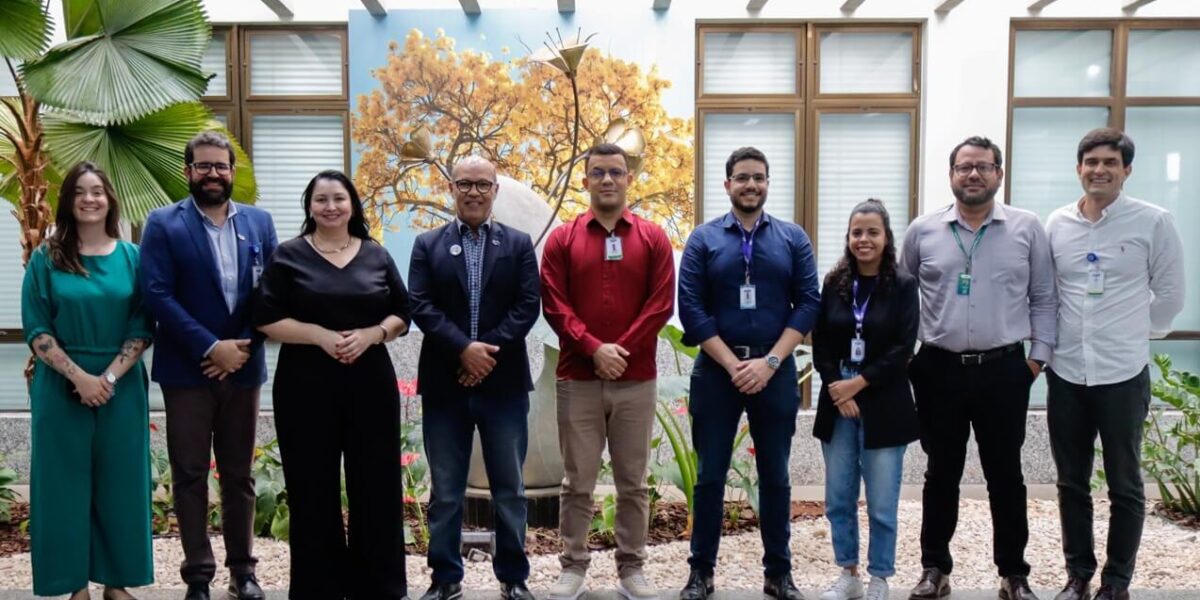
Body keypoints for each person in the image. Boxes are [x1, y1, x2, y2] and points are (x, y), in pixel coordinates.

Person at [901, 136, 1056, 600]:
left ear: (998, 174)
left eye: (983, 167)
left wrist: (1036, 359)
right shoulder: (923, 230)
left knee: (1006, 475)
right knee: (940, 473)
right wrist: (907, 358)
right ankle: (934, 568)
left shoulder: (1027, 228)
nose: (973, 174)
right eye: (964, 167)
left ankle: (1013, 573)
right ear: (951, 174)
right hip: (938, 370)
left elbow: (1044, 296)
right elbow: (900, 296)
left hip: (1004, 370)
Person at [255, 170, 411, 599]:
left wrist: (373, 334)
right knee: (311, 487)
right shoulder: (288, 256)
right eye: (321, 199)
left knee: (376, 485)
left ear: (352, 205)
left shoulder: (376, 254)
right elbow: (265, 318)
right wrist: (319, 335)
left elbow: (403, 312)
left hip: (370, 382)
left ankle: (377, 588)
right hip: (305, 385)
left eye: (338, 198)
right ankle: (317, 588)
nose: (330, 207)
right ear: (309, 206)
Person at [1044, 129, 1185, 600]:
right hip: (1067, 372)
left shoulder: (1153, 221)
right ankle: (1078, 576)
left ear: (1126, 170)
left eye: (1109, 162)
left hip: (1122, 374)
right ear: (1078, 168)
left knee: (1125, 484)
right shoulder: (1057, 223)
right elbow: (1049, 292)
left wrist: (1132, 332)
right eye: (1091, 162)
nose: (1099, 170)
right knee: (1071, 482)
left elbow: (1170, 294)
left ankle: (1116, 582)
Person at [677, 146, 820, 600]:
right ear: (727, 185)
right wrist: (731, 364)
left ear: (768, 183)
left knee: (775, 476)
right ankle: (701, 573)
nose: (751, 185)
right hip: (717, 371)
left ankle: (779, 573)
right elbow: (691, 309)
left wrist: (770, 362)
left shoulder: (792, 238)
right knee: (709, 477)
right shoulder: (703, 240)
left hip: (773, 370)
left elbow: (809, 303)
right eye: (742, 177)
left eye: (758, 177)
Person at [140, 131, 277, 600]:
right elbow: (157, 294)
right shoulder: (163, 223)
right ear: (188, 171)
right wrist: (210, 347)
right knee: (190, 475)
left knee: (239, 475)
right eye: (204, 166)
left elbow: (272, 293)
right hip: (187, 371)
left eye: (221, 165)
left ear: (232, 172)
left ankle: (243, 573)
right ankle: (198, 575)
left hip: (243, 368)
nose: (213, 173)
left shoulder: (259, 222)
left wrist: (243, 347)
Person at [540, 143, 676, 600]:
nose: (607, 180)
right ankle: (573, 568)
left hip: (636, 379)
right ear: (585, 181)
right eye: (598, 172)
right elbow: (554, 304)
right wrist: (594, 348)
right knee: (576, 482)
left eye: (616, 172)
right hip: (577, 379)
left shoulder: (653, 238)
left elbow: (661, 303)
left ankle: (632, 569)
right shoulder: (562, 239)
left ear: (629, 179)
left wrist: (622, 350)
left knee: (632, 483)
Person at [408, 156, 540, 600]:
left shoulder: (518, 244)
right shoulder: (428, 244)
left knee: (510, 489)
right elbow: (420, 304)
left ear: (495, 190)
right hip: (445, 385)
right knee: (446, 491)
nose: (474, 192)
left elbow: (527, 305)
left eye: (483, 185)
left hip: (504, 385)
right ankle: (445, 578)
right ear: (451, 188)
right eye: (465, 184)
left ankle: (513, 577)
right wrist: (463, 350)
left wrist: (485, 354)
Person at [22, 162, 154, 600]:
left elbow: (142, 325)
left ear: (109, 199)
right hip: (61, 386)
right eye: (79, 191)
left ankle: (116, 584)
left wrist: (107, 378)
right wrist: (80, 378)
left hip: (121, 386)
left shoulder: (133, 257)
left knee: (122, 485)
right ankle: (74, 585)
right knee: (62, 486)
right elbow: (37, 328)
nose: (89, 199)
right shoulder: (46, 258)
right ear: (67, 201)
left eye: (97, 191)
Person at [812, 199, 919, 600]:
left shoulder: (903, 285)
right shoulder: (834, 282)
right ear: (848, 237)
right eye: (857, 232)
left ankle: (879, 577)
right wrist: (836, 386)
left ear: (886, 237)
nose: (864, 240)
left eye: (872, 232)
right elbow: (821, 342)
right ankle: (849, 573)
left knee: (881, 501)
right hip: (837, 397)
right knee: (839, 497)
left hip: (884, 399)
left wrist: (857, 384)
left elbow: (903, 347)